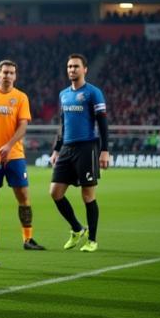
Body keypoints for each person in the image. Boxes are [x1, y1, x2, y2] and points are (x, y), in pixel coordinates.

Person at [50, 53, 109, 253]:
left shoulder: (93, 93)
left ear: (85, 69)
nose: (72, 70)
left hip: (87, 147)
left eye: (76, 66)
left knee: (87, 195)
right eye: (69, 67)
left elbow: (102, 123)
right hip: (67, 148)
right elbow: (62, 123)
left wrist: (105, 150)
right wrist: (57, 149)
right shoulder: (63, 94)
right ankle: (77, 228)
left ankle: (92, 239)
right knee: (55, 192)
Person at [0, 60, 45, 250]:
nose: (8, 76)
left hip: (14, 155)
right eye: (5, 72)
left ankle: (28, 238)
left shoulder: (20, 98)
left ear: (15, 76)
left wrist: (9, 146)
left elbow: (23, 126)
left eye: (11, 73)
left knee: (23, 196)